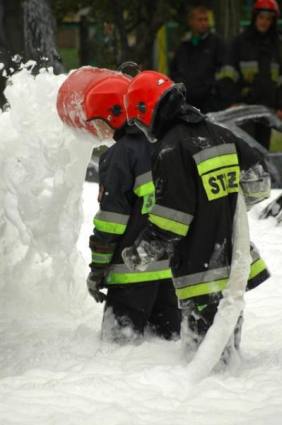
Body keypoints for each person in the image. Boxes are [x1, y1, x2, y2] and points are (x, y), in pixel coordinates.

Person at [122, 70, 270, 360]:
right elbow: (259, 183)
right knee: (228, 356)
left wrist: (140, 253)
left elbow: (171, 219)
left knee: (206, 363)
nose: (142, 129)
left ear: (147, 111)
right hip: (234, 267)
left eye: (139, 122)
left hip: (200, 272)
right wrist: (225, 211)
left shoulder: (170, 149)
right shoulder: (221, 133)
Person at [85, 70, 181, 343]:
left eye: (99, 122)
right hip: (170, 275)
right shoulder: (167, 145)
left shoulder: (118, 155)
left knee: (117, 359)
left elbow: (111, 221)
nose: (98, 131)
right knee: (166, 353)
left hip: (130, 277)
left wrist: (98, 268)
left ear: (115, 114)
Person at [218, 0, 282, 150]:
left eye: (268, 19)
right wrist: (232, 101)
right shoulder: (239, 43)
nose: (264, 22)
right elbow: (227, 74)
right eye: (261, 17)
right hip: (243, 108)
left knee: (262, 151)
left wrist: (280, 105)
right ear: (255, 18)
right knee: (245, 150)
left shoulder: (277, 45)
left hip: (267, 109)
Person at [170, 4, 226, 113]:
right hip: (186, 103)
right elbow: (174, 71)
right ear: (191, 22)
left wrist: (212, 88)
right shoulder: (183, 45)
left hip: (210, 104)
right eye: (200, 20)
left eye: (206, 20)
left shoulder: (216, 43)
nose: (204, 23)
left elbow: (223, 71)